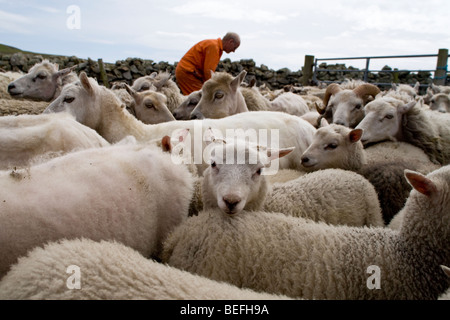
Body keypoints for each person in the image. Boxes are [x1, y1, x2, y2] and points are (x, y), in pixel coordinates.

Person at [175, 32, 241, 95]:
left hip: (189, 72)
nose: (233, 51)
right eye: (234, 47)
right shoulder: (214, 47)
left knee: (200, 97)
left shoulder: (215, 46)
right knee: (199, 98)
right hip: (188, 72)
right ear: (230, 41)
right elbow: (208, 72)